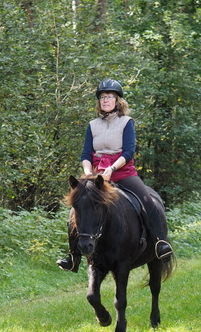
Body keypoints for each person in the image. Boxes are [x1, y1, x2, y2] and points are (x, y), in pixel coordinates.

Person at [57, 78, 173, 272]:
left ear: (117, 100)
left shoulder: (126, 122)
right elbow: (86, 154)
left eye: (109, 96)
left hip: (122, 172)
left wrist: (112, 168)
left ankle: (160, 242)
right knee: (75, 209)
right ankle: (73, 256)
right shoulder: (92, 125)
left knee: (148, 201)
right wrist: (88, 174)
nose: (105, 100)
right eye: (102, 97)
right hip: (96, 176)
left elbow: (129, 151)